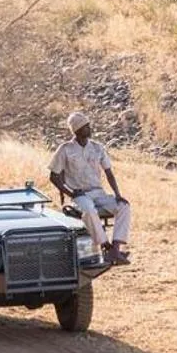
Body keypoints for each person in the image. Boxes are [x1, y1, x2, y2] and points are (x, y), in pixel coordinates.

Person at [48, 111, 129, 265]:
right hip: (80, 195)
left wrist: (117, 194)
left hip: (99, 193)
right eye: (86, 126)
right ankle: (106, 246)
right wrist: (71, 193)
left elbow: (109, 173)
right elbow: (54, 176)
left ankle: (116, 248)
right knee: (89, 209)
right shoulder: (65, 149)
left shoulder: (97, 148)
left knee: (124, 206)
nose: (89, 128)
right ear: (77, 130)